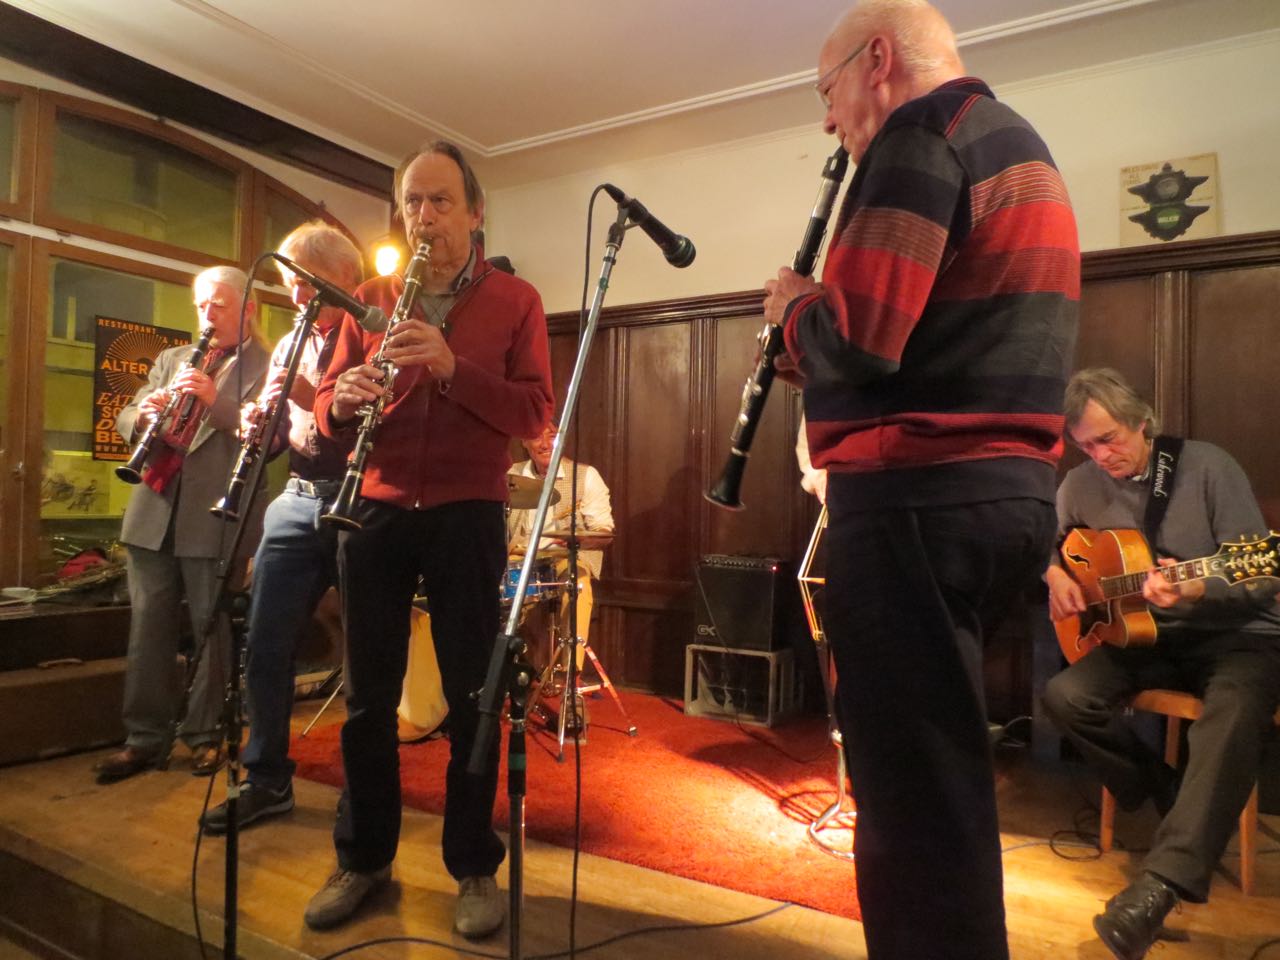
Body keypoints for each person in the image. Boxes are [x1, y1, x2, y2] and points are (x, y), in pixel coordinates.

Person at [760, 2, 1079, 957]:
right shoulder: (1013, 141)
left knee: (911, 800)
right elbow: (930, 337)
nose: (828, 119)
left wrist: (793, 310)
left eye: (827, 92)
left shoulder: (919, 133)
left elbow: (859, 335)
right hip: (1002, 498)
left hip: (916, 501)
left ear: (878, 60)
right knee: (943, 778)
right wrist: (819, 351)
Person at [307, 140, 553, 938]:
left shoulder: (515, 300)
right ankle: (363, 857)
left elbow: (533, 412)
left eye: (440, 201)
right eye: (412, 201)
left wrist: (451, 366)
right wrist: (343, 399)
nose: (423, 216)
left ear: (476, 213)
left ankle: (473, 863)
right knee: (367, 697)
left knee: (474, 695)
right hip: (374, 508)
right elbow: (323, 412)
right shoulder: (369, 299)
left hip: (466, 510)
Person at [1042, 368, 1280, 960]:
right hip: (1144, 637)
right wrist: (1053, 574)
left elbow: (1260, 570)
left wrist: (1198, 587)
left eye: (1110, 439)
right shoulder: (1078, 486)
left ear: (1142, 422)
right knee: (1066, 697)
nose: (1101, 456)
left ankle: (1157, 890)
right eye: (1087, 446)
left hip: (1237, 635)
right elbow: (1052, 543)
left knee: (1232, 715)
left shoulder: (1208, 467)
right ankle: (1174, 796)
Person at [200, 221, 365, 834]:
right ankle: (266, 779)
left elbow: (382, 422)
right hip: (296, 498)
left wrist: (309, 389)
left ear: (344, 279)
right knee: (266, 644)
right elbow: (284, 436)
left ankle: (364, 795)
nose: (295, 297)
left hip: (360, 500)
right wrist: (258, 423)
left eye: (306, 283)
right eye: (290, 283)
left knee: (367, 657)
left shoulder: (374, 331)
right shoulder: (295, 335)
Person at [95, 266, 270, 784]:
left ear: (248, 308)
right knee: (147, 629)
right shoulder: (172, 358)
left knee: (211, 631)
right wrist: (143, 417)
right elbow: (126, 414)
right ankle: (144, 739)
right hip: (153, 509)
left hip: (216, 514)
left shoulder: (268, 363)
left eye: (218, 304)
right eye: (200, 305)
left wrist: (217, 403)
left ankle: (206, 734)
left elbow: (268, 437)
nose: (206, 314)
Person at [506, 421, 614, 678]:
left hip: (565, 557)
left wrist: (577, 541)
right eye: (536, 436)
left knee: (578, 585)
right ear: (524, 442)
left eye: (552, 436)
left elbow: (604, 532)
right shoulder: (511, 476)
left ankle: (570, 673)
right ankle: (506, 670)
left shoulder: (585, 476)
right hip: (521, 556)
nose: (545, 444)